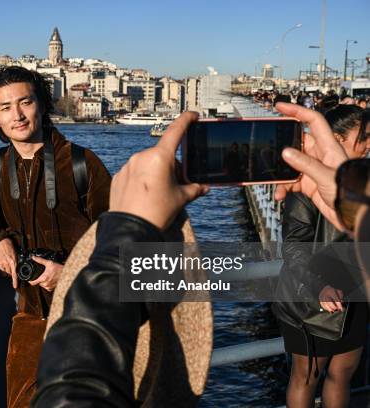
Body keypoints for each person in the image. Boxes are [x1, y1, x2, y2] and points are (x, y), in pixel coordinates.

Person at [32, 102, 369, 406]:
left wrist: (124, 231)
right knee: (310, 377)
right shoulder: (312, 199)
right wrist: (355, 207)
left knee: (339, 374)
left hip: (347, 298)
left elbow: (76, 383)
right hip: (315, 306)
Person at [0, 66, 111, 407]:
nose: (17, 115)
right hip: (28, 317)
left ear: (41, 105)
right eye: (5, 107)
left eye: (25, 102)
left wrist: (67, 274)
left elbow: (119, 241)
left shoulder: (82, 163)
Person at [272, 104, 369, 407]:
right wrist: (319, 287)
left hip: (354, 294)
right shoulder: (306, 184)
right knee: (306, 376)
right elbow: (294, 247)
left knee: (343, 373)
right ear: (336, 139)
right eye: (364, 136)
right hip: (311, 298)